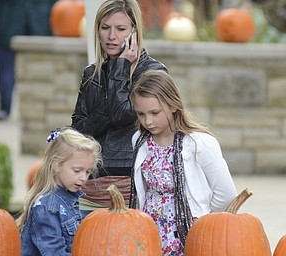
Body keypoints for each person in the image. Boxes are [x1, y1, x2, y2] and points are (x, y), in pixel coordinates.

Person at [71, 0, 167, 214]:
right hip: (92, 181)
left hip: (133, 182)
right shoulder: (91, 74)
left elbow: (123, 114)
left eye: (120, 29)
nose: (111, 36)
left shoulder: (152, 72)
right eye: (105, 28)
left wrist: (120, 67)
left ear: (134, 32)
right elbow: (78, 130)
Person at [129, 70, 237, 256]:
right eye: (141, 114)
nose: (148, 121)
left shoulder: (199, 143)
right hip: (150, 231)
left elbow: (226, 193)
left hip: (188, 233)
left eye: (155, 112)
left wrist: (202, 221)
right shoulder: (139, 140)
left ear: (173, 105)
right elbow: (143, 189)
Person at [16, 127, 102, 256]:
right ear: (56, 165)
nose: (83, 178)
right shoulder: (46, 208)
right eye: (77, 171)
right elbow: (54, 252)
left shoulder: (72, 198)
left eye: (88, 172)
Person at [0, 0, 56, 121]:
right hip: (8, 20)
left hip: (39, 21)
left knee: (38, 70)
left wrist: (53, 13)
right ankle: (5, 108)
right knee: (6, 69)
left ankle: (37, 107)